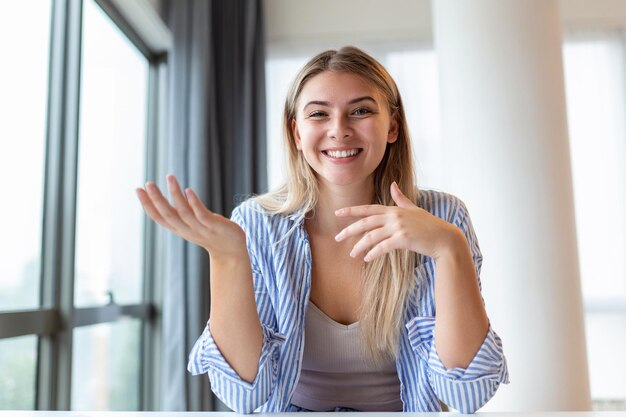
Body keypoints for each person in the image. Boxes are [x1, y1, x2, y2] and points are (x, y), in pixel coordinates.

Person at [136, 46, 509, 413]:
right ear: (297, 133)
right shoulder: (257, 224)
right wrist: (227, 257)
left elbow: (466, 395)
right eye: (319, 114)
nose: (339, 130)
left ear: (392, 126)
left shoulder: (443, 218)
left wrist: (450, 248)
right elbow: (243, 396)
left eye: (360, 111)